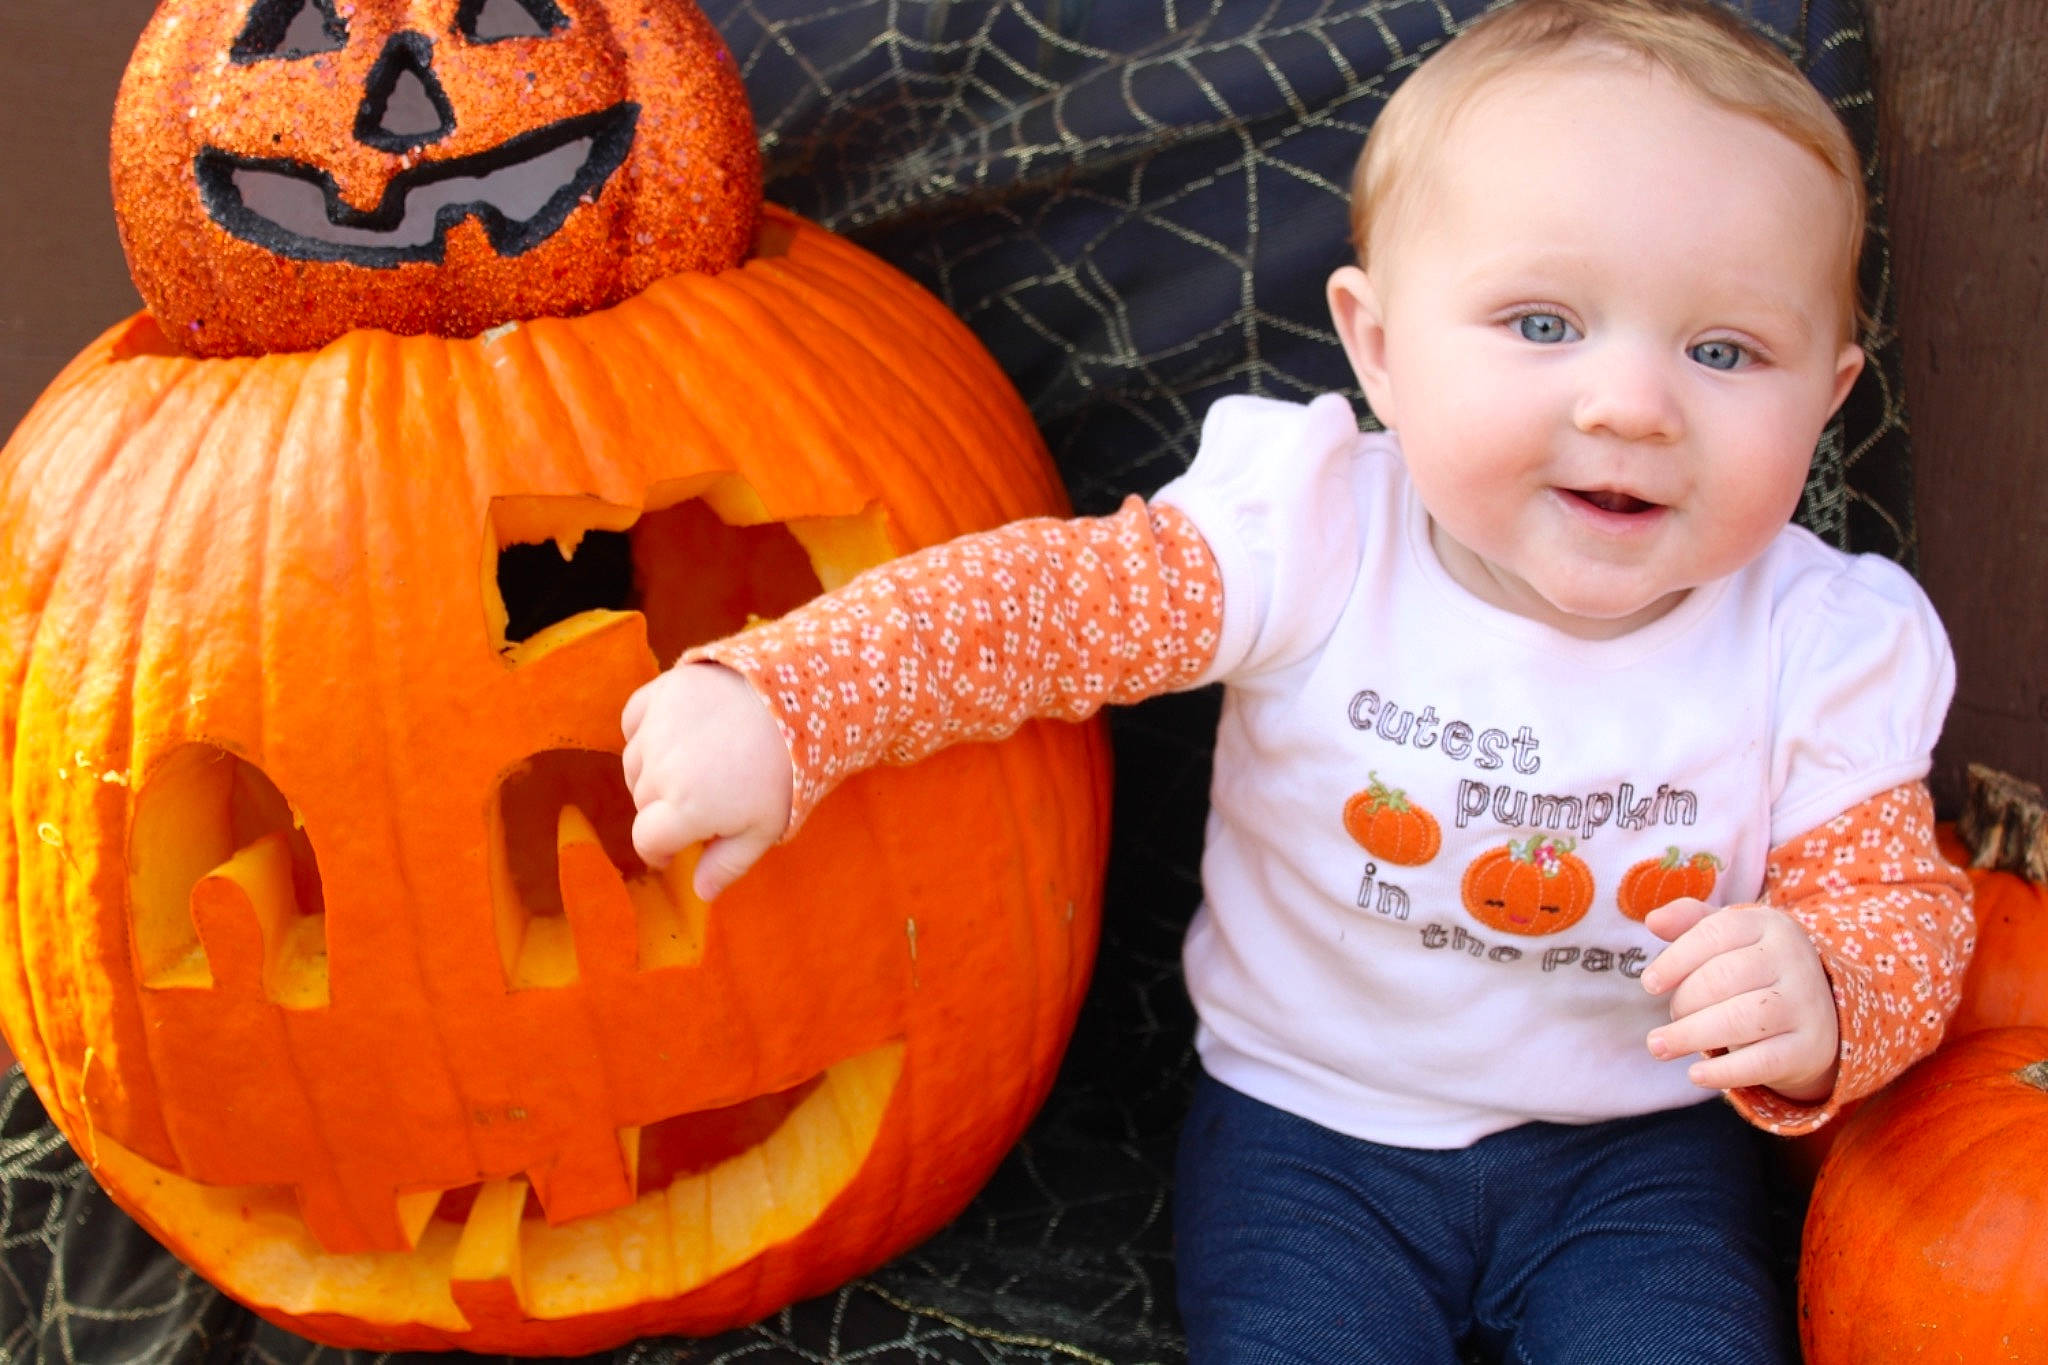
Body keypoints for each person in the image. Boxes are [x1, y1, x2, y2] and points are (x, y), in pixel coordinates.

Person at [620, 0, 1973, 1358]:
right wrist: (792, 697)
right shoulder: (1312, 531)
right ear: (1378, 344)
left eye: (1725, 352)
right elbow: (1033, 613)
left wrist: (1830, 987)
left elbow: (1898, 903)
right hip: (1310, 1136)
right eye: (1543, 321)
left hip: (1636, 1153)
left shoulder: (1818, 639)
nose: (1632, 402)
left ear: (1830, 394)